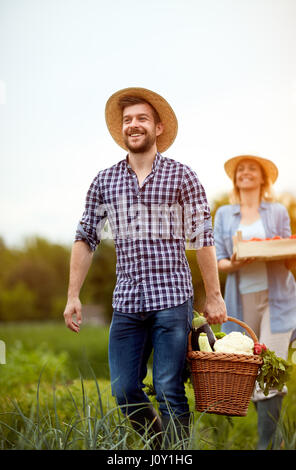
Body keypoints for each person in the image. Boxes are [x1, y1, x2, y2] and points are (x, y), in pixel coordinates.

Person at [63, 87, 227, 449]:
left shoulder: (182, 176)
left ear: (159, 127)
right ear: (121, 129)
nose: (133, 125)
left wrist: (214, 296)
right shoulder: (105, 181)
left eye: (141, 119)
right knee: (123, 390)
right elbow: (85, 236)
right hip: (127, 302)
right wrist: (73, 295)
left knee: (169, 387)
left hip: (172, 299)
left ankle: (177, 454)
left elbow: (202, 237)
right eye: (127, 120)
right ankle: (161, 449)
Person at [214, 154, 296, 450]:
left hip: (278, 300)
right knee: (247, 370)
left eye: (252, 169)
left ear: (263, 178)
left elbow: (287, 256)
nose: (246, 173)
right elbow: (218, 261)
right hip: (241, 300)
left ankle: (268, 444)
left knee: (271, 370)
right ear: (235, 178)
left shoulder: (277, 211)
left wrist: (292, 252)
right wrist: (237, 261)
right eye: (241, 169)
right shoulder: (225, 214)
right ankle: (271, 439)